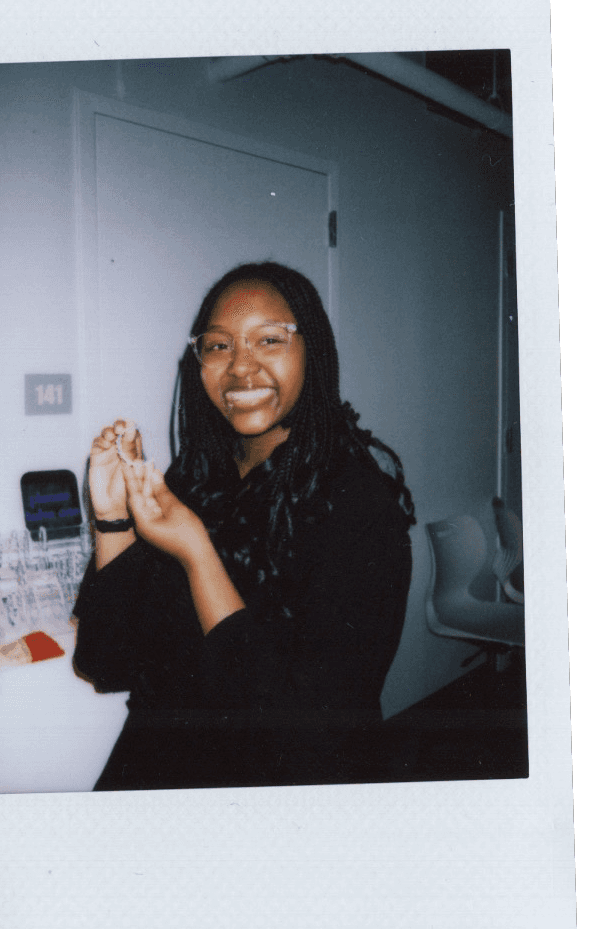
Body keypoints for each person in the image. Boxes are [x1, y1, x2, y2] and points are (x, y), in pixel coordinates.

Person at [72, 262, 415, 790]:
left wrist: (198, 556)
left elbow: (304, 737)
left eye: (269, 340)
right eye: (218, 346)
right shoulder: (195, 477)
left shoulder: (360, 504)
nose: (241, 368)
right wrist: (113, 519)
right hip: (157, 767)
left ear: (313, 351)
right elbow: (105, 661)